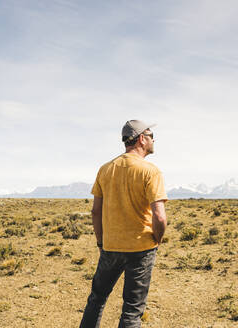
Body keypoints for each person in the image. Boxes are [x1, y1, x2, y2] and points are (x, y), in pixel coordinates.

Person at [80, 120, 168, 328]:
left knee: (97, 299)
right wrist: (157, 239)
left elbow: (95, 211)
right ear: (141, 139)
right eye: (151, 134)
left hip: (110, 247)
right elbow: (160, 217)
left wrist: (102, 242)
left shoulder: (105, 169)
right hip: (141, 248)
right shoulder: (150, 171)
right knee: (132, 309)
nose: (154, 139)